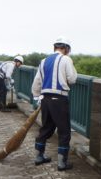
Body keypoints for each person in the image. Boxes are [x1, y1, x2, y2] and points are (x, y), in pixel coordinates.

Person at [31, 37, 77, 170]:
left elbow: (37, 81)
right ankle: (62, 163)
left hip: (45, 99)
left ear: (55, 47)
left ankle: (39, 156)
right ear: (66, 48)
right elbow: (72, 79)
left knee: (46, 128)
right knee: (64, 131)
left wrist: (36, 96)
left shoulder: (44, 61)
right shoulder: (66, 59)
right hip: (59, 99)